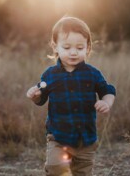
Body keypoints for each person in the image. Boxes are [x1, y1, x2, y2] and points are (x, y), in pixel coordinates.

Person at [26, 16, 116, 176]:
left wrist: (106, 102)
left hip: (86, 139)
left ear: (88, 48)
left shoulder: (92, 73)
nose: (73, 52)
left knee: (82, 172)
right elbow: (41, 99)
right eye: (67, 47)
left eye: (80, 48)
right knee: (56, 167)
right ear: (55, 47)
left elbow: (107, 90)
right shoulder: (50, 75)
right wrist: (35, 95)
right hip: (58, 137)